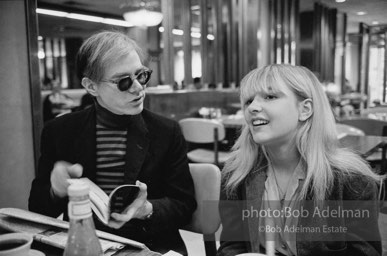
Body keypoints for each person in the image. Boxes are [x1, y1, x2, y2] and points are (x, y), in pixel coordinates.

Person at [29, 31, 196, 255]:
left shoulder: (166, 131)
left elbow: (184, 205)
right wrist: (55, 190)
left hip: (146, 243)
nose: (138, 87)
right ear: (91, 87)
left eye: (141, 75)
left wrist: (147, 209)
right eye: (124, 82)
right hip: (84, 243)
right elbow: (37, 209)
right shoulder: (59, 131)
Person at [217, 64, 382, 256]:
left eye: (270, 96)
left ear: (305, 109)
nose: (252, 107)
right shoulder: (236, 173)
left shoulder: (352, 180)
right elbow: (231, 245)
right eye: (248, 101)